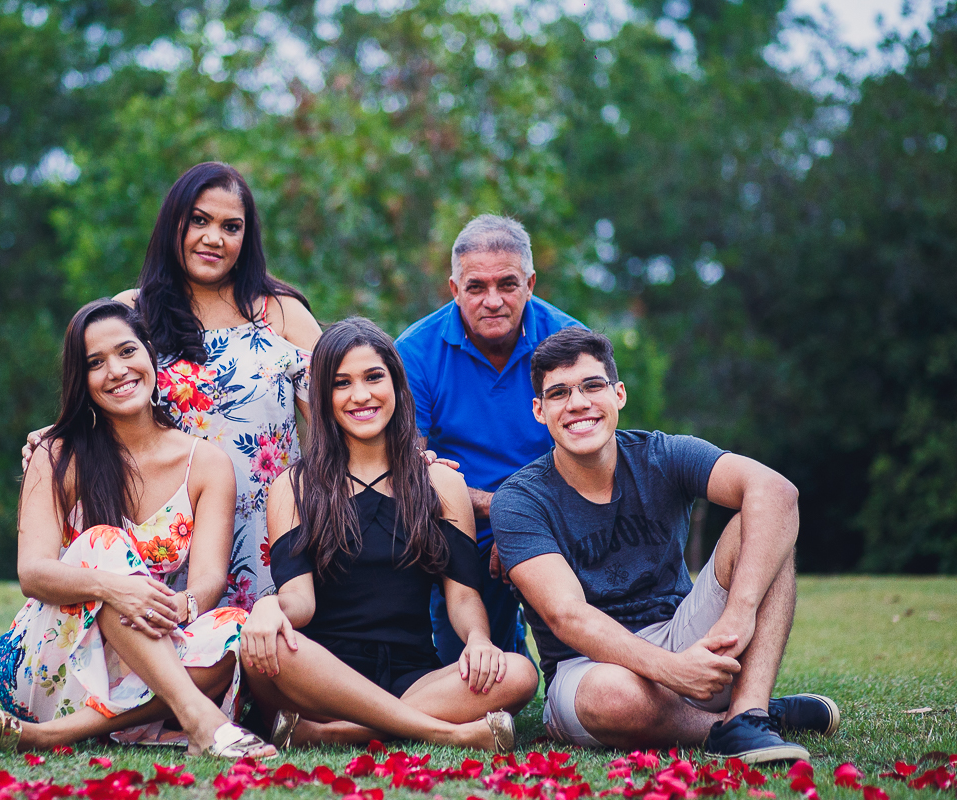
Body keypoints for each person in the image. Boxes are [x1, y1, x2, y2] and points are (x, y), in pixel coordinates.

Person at [491, 327, 840, 764]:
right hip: (588, 668)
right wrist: (674, 671)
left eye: (592, 386)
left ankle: (750, 713)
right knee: (613, 697)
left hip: (681, 630)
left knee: (765, 528)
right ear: (540, 411)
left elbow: (776, 492)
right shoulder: (519, 498)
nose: (578, 403)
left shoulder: (662, 454)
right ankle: (739, 724)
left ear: (618, 394)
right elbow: (569, 616)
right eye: (559, 393)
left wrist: (738, 615)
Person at [0, 299, 275, 757]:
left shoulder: (206, 464)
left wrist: (178, 605)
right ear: (82, 380)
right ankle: (198, 718)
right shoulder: (56, 455)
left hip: (147, 657)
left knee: (234, 628)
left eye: (127, 351)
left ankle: (51, 737)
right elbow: (32, 573)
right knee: (101, 543)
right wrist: (114, 588)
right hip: (52, 665)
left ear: (150, 355)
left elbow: (208, 581)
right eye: (95, 363)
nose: (116, 370)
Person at [24, 162, 322, 610]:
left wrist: (403, 454)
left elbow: (340, 412)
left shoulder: (282, 313)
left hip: (271, 530)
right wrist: (52, 437)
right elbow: (103, 389)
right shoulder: (132, 311)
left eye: (231, 226)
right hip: (164, 538)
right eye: (199, 220)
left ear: (247, 238)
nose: (213, 237)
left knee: (264, 657)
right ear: (173, 223)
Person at [238, 318, 537, 751]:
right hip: (322, 677)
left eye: (374, 377)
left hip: (415, 674)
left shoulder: (440, 482)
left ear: (397, 385)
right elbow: (299, 604)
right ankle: (441, 731)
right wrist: (269, 608)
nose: (361, 395)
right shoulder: (293, 486)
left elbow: (463, 596)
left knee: (519, 672)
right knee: (263, 650)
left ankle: (334, 734)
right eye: (342, 383)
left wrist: (478, 640)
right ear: (323, 396)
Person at [395, 214, 583, 664]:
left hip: (558, 513)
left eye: (507, 284)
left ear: (531, 283)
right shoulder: (414, 352)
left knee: (587, 660)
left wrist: (521, 521)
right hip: (461, 521)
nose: (492, 300)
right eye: (476, 287)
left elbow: (594, 452)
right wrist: (500, 513)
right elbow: (409, 464)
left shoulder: (571, 342)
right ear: (454, 289)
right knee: (471, 670)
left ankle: (572, 666)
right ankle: (499, 642)